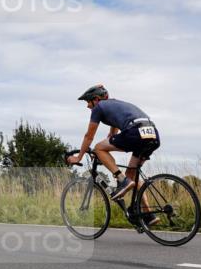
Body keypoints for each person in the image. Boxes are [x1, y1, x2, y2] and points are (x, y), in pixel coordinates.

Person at [65, 85, 161, 217]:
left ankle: (122, 180)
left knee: (99, 147)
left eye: (88, 101)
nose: (87, 106)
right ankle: (148, 214)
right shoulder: (115, 105)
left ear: (96, 99)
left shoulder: (98, 108)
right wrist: (105, 147)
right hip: (153, 134)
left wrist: (79, 157)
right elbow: (113, 131)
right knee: (132, 174)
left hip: (135, 132)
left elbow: (89, 136)